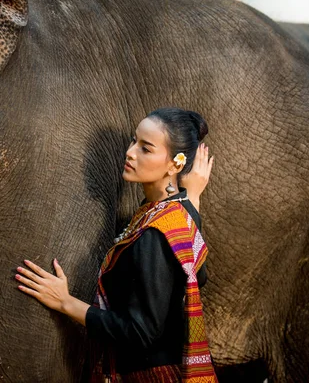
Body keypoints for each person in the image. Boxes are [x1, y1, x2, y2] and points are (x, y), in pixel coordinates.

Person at [16, 108, 218, 382]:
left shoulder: (155, 233)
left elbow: (141, 332)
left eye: (145, 149)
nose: (130, 152)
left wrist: (65, 303)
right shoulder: (169, 213)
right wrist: (191, 197)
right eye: (133, 141)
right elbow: (196, 273)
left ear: (175, 164)